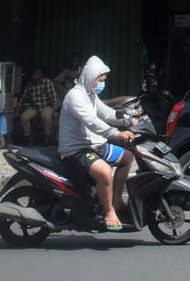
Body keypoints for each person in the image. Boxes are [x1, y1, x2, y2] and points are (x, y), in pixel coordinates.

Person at [58, 56, 135, 231]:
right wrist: (116, 134)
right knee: (105, 173)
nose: (102, 83)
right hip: (77, 150)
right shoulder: (75, 97)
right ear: (91, 77)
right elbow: (92, 121)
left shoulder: (90, 95)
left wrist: (130, 120)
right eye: (100, 80)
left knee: (127, 158)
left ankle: (116, 201)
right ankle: (109, 212)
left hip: (95, 146)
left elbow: (107, 113)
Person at [19, 67, 59, 145]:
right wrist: (18, 110)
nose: (36, 76)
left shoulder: (47, 82)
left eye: (38, 74)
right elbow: (23, 98)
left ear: (41, 75)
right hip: (34, 107)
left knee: (46, 117)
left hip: (46, 106)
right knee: (24, 117)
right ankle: (28, 136)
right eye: (34, 74)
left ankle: (47, 137)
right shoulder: (30, 85)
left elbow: (53, 98)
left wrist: (54, 110)